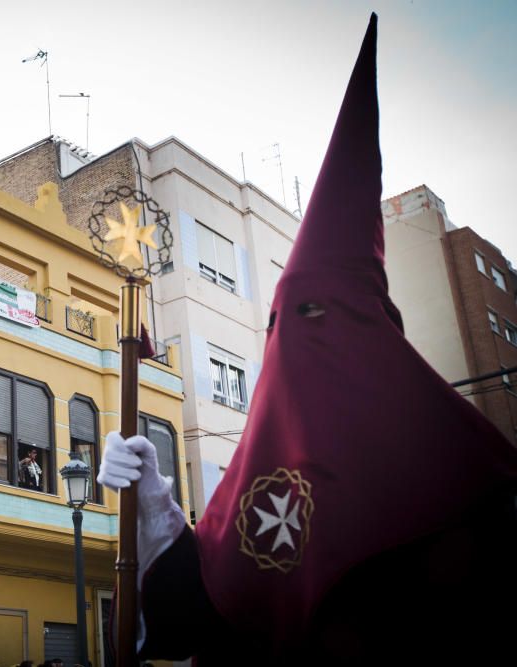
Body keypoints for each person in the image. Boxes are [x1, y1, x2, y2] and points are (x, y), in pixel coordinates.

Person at [98, 14, 517, 666]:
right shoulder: (274, 458)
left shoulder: (476, 477)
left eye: (315, 310)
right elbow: (209, 600)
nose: (289, 339)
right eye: (281, 320)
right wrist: (150, 493)